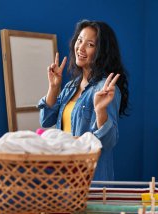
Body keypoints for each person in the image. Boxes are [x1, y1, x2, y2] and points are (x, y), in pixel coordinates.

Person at [37, 20, 129, 181]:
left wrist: (100, 111)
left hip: (89, 180)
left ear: (102, 51)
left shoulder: (105, 89)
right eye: (79, 40)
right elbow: (45, 120)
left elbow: (109, 141)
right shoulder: (71, 85)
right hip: (63, 177)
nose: (80, 48)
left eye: (90, 44)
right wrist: (53, 87)